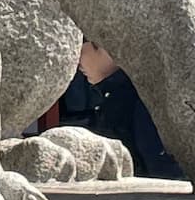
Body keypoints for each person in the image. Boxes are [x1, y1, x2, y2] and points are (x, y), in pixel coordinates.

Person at [60, 39, 172, 177]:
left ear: (104, 48)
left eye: (79, 48)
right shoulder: (115, 96)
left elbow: (159, 166)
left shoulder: (139, 101)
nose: (76, 61)